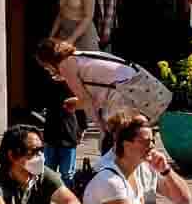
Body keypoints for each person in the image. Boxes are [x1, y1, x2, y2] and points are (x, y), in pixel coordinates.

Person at [34, 38, 170, 137]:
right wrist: (77, 102)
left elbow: (87, 100)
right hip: (139, 84)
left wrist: (101, 129)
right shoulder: (79, 56)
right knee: (136, 137)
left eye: (46, 67)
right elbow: (99, 90)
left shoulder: (65, 65)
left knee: (119, 142)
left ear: (49, 61)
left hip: (123, 92)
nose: (48, 70)